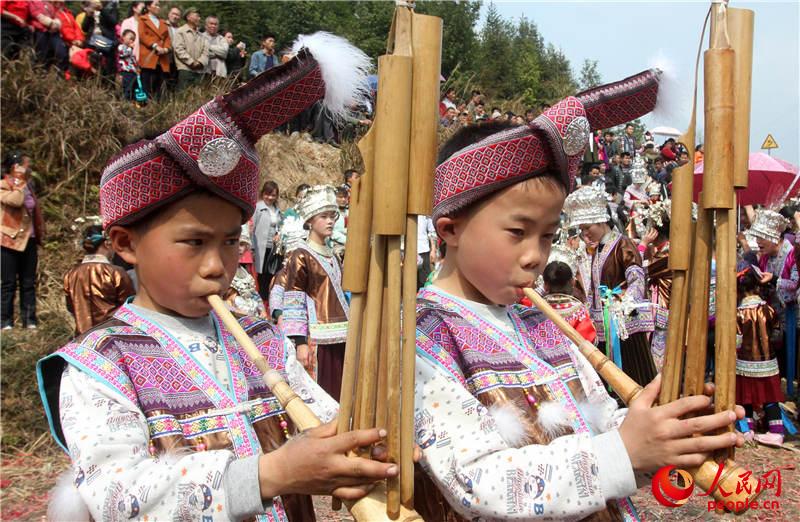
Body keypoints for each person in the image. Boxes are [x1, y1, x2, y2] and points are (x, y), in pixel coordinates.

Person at [38, 31, 400, 521]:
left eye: (231, 241)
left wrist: (369, 447)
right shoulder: (100, 365)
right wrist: (269, 475)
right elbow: (115, 496)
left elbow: (325, 419)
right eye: (194, 242)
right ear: (125, 244)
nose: (217, 265)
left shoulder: (260, 337)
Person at [414, 69, 745, 520]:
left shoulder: (542, 321)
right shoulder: (421, 335)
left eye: (548, 235)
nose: (536, 256)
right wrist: (625, 452)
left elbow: (599, 422)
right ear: (450, 230)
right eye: (517, 232)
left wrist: (660, 432)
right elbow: (478, 483)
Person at [566, 185, 657, 388]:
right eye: (581, 231)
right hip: (605, 321)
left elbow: (636, 276)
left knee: (632, 372)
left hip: (622, 320)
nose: (584, 235)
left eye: (586, 228)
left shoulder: (623, 244)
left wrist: (627, 301)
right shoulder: (598, 249)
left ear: (600, 221)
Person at [278, 186, 349, 401]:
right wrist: (300, 343)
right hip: (318, 337)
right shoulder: (301, 255)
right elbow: (294, 300)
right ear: (310, 220)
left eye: (332, 216)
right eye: (324, 216)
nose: (330, 221)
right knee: (322, 395)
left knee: (342, 393)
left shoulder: (334, 254)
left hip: (343, 333)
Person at [735, 266, 786, 446]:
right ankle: (776, 431)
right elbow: (777, 333)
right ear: (758, 287)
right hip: (768, 360)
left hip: (745, 362)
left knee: (745, 396)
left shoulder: (739, 312)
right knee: (771, 396)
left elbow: (737, 340)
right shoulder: (769, 309)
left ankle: (746, 429)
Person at [63, 224, 135, 335]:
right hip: (111, 337)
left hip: (82, 339)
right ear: (107, 244)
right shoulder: (115, 272)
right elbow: (130, 306)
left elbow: (70, 306)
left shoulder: (71, 274)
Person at [1, 154, 44, 330]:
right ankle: (5, 322)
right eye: (25, 165)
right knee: (9, 283)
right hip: (7, 241)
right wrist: (19, 181)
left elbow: (35, 211)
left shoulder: (29, 186)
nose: (29, 168)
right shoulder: (3, 186)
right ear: (15, 167)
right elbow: (16, 201)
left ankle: (30, 320)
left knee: (28, 282)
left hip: (29, 240)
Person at [542, 256, 596, 344]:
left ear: (545, 285)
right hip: (575, 356)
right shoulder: (578, 310)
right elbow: (589, 340)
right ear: (572, 282)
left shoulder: (537, 308)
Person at [252, 180, 282, 301]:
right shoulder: (258, 208)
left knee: (271, 275)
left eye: (273, 195)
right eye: (267, 194)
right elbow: (251, 228)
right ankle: (261, 301)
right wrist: (252, 248)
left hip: (273, 248)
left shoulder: (277, 210)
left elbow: (280, 226)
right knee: (260, 275)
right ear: (262, 193)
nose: (270, 197)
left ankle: (268, 301)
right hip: (260, 247)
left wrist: (278, 234)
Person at [137, 0, 170, 99]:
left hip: (162, 58)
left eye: (159, 5)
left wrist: (166, 49)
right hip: (149, 56)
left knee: (160, 88)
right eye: (156, 5)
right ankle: (146, 107)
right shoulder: (142, 19)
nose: (158, 7)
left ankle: (158, 109)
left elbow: (168, 39)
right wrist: (154, 45)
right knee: (147, 86)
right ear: (148, 7)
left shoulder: (163, 22)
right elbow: (142, 35)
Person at [172, 6, 207, 90]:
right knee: (183, 96)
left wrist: (200, 62)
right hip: (185, 70)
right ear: (188, 17)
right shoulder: (180, 32)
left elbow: (206, 52)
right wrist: (191, 62)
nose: (199, 18)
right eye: (197, 16)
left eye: (199, 16)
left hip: (199, 71)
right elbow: (178, 49)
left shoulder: (202, 35)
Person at [30, 0, 66, 71]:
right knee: (42, 55)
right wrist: (50, 23)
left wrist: (56, 24)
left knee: (61, 53)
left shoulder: (49, 4)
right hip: (40, 31)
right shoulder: (33, 2)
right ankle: (40, 74)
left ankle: (59, 74)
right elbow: (36, 14)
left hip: (54, 32)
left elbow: (56, 16)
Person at [117, 29, 139, 101]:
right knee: (127, 87)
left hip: (132, 71)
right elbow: (123, 53)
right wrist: (131, 48)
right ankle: (126, 100)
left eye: (133, 39)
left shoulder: (130, 49)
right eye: (130, 38)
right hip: (126, 71)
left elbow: (133, 60)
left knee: (134, 87)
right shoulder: (121, 46)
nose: (132, 41)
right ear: (123, 37)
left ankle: (133, 100)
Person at [330, 185, 349, 260]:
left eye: (345, 197)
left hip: (350, 243)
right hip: (334, 245)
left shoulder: (350, 212)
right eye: (340, 197)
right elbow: (332, 232)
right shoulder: (330, 213)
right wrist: (346, 240)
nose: (343, 200)